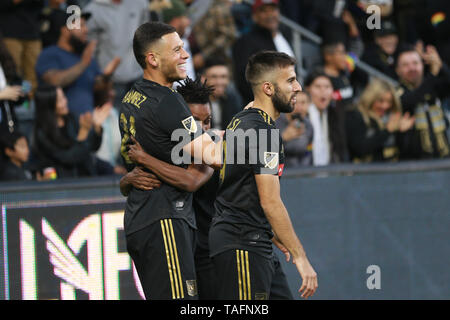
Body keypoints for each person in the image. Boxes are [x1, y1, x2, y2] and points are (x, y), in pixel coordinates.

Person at [119, 22, 221, 300]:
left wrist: (127, 179)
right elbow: (214, 158)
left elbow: (131, 162)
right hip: (165, 218)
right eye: (176, 50)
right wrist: (223, 137)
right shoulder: (169, 102)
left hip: (141, 218)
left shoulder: (131, 97)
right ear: (153, 58)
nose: (185, 55)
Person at [209, 51, 318, 300]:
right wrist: (301, 258)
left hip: (254, 239)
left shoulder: (241, 120)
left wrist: (270, 231)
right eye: (290, 81)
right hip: (242, 243)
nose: (298, 88)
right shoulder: (264, 133)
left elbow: (240, 184)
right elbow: (270, 201)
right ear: (268, 88)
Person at [35, 10, 121, 117]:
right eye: (80, 25)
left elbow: (97, 88)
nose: (86, 30)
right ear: (65, 30)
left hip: (87, 122)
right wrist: (83, 63)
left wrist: (106, 76)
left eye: (85, 25)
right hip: (61, 126)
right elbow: (54, 81)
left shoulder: (86, 57)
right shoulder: (49, 54)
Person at [31, 84, 112, 179]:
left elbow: (92, 147)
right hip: (64, 182)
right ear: (49, 104)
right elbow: (69, 158)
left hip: (86, 176)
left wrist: (97, 128)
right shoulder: (43, 133)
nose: (65, 101)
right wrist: (83, 133)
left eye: (64, 97)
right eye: (60, 100)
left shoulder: (72, 119)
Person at [84, 0, 148, 108]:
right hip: (111, 81)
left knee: (140, 121)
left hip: (139, 75)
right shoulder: (92, 10)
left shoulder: (140, 3)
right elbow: (89, 50)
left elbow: (145, 34)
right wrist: (100, 78)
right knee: (115, 122)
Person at [232, 0, 294, 104]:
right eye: (264, 11)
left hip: (287, 102)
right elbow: (244, 78)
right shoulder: (245, 42)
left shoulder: (284, 36)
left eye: (273, 10)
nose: (269, 15)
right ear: (254, 16)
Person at [395, 44, 450, 159]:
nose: (412, 68)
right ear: (397, 70)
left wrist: (440, 65)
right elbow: (411, 99)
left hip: (443, 157)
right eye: (405, 65)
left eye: (415, 63)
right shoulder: (396, 92)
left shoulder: (432, 85)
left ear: (422, 65)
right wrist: (433, 74)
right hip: (414, 164)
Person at [345, 79, 414, 163]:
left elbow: (403, 152)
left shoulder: (391, 116)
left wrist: (403, 132)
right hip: (366, 172)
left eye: (389, 101)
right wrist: (387, 131)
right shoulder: (355, 115)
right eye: (381, 101)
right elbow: (360, 149)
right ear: (370, 97)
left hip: (392, 169)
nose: (385, 106)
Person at [0, 0, 44, 94]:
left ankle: (28, 102)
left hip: (32, 33)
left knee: (33, 74)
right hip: (10, 33)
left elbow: (41, 5)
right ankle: (15, 103)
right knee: (13, 72)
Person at [305, 70, 347, 166]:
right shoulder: (302, 114)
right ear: (308, 89)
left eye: (327, 87)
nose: (323, 91)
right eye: (317, 87)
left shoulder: (335, 115)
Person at [187, 0, 237, 72]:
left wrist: (203, 56)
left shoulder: (217, 7)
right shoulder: (182, 6)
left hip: (214, 62)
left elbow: (228, 35)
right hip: (190, 59)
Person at [200, 56, 242, 129]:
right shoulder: (195, 103)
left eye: (223, 77)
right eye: (214, 77)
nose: (219, 82)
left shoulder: (233, 99)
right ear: (203, 79)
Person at [275, 91, 314, 167]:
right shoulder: (275, 122)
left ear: (309, 105)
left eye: (303, 103)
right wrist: (282, 138)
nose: (299, 108)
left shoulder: (309, 125)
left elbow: (309, 151)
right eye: (295, 103)